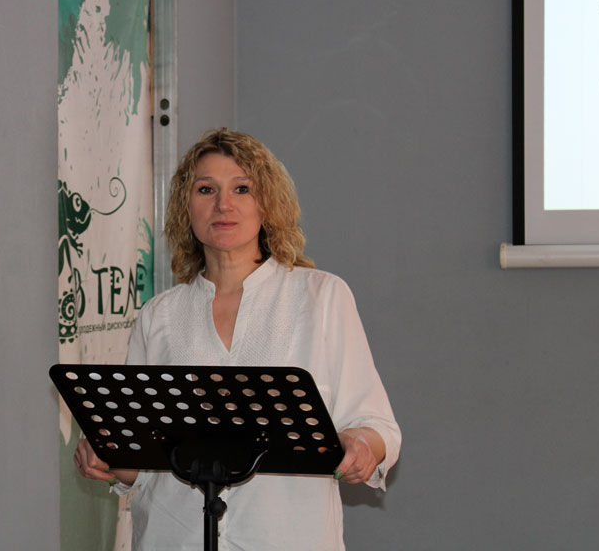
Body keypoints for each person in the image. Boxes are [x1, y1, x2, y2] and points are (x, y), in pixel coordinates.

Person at [74, 128, 401, 550]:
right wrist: (106, 453)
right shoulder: (159, 314)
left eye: (241, 188)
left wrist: (362, 445)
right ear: (185, 206)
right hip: (173, 539)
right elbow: (138, 462)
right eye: (206, 189)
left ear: (267, 203)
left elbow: (378, 426)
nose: (223, 204)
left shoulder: (321, 296)